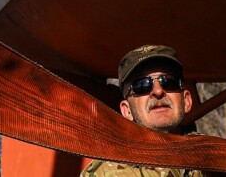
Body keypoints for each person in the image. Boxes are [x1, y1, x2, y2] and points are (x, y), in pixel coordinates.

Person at [84, 44, 202, 177]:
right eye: (142, 85)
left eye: (169, 82)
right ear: (127, 111)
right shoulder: (104, 174)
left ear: (186, 101)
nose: (158, 91)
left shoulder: (219, 159)